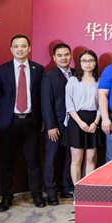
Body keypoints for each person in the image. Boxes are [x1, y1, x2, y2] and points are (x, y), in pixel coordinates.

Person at [0, 35, 45, 212]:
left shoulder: (38, 69)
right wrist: (8, 111)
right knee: (7, 162)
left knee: (33, 161)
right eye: (16, 46)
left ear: (29, 48)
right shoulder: (1, 70)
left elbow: (41, 96)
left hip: (31, 121)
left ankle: (37, 194)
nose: (20, 49)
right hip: (10, 122)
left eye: (23, 46)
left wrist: (41, 118)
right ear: (11, 49)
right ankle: (7, 197)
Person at [40, 43, 75, 206]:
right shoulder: (48, 76)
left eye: (66, 54)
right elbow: (46, 102)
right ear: (54, 57)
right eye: (59, 55)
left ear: (71, 56)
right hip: (56, 124)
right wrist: (50, 125)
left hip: (73, 124)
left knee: (70, 157)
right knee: (51, 157)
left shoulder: (77, 74)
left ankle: (67, 187)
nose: (63, 58)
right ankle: (51, 191)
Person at [62, 50, 102, 185]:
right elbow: (69, 105)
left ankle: (88, 190)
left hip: (93, 120)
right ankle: (77, 190)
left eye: (91, 60)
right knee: (76, 160)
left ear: (95, 63)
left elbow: (101, 105)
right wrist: (80, 122)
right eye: (84, 61)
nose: (87, 63)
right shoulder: (73, 81)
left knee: (91, 159)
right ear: (79, 63)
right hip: (76, 121)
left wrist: (96, 123)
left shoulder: (99, 81)